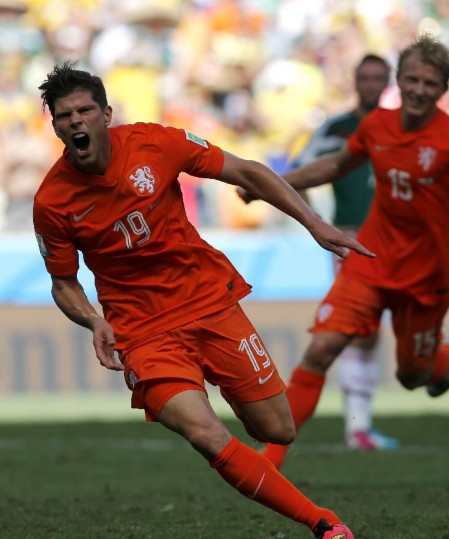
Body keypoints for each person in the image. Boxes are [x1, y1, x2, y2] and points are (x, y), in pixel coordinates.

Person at [32, 62, 374, 538]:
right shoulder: (52, 201)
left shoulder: (155, 143)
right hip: (143, 332)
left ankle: (234, 390)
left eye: (84, 110)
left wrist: (315, 225)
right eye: (64, 115)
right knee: (207, 434)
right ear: (55, 126)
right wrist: (93, 321)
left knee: (278, 428)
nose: (75, 121)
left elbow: (248, 172)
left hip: (208, 303)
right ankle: (326, 524)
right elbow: (63, 282)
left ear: (106, 113)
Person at [238, 34, 449, 470]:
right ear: (398, 81)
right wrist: (271, 186)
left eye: (431, 83)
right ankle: (269, 462)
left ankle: (446, 354)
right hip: (369, 260)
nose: (420, 89)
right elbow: (335, 165)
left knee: (412, 375)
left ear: (443, 90)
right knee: (321, 349)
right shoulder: (377, 126)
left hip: (425, 277)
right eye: (412, 79)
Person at [292, 53, 399, 451]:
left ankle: (361, 427)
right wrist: (319, 222)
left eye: (378, 77)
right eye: (365, 77)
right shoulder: (337, 127)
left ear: (387, 80)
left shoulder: (399, 125)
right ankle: (358, 429)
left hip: (398, 242)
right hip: (353, 241)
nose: (371, 84)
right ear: (355, 80)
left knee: (373, 334)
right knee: (357, 329)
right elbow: (297, 171)